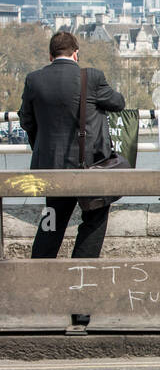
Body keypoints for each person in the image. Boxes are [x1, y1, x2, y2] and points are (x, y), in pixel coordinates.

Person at [19, 31, 126, 325]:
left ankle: (36, 300)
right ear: (76, 53)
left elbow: (26, 120)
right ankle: (80, 304)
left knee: (50, 226)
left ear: (51, 55)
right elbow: (118, 102)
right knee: (93, 223)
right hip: (89, 172)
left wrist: (44, 150)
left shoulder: (34, 80)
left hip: (52, 173)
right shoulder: (90, 77)